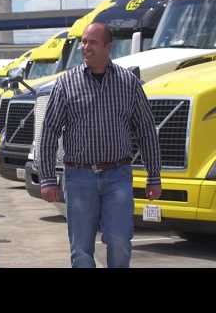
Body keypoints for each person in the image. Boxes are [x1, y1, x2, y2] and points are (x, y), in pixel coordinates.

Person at [39, 22, 161, 268]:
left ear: (108, 46)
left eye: (92, 42)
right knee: (81, 249)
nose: (86, 47)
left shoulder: (128, 84)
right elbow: (49, 131)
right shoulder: (66, 84)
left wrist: (154, 176)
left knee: (119, 241)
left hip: (118, 176)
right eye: (84, 42)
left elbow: (147, 130)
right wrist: (48, 178)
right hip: (79, 178)